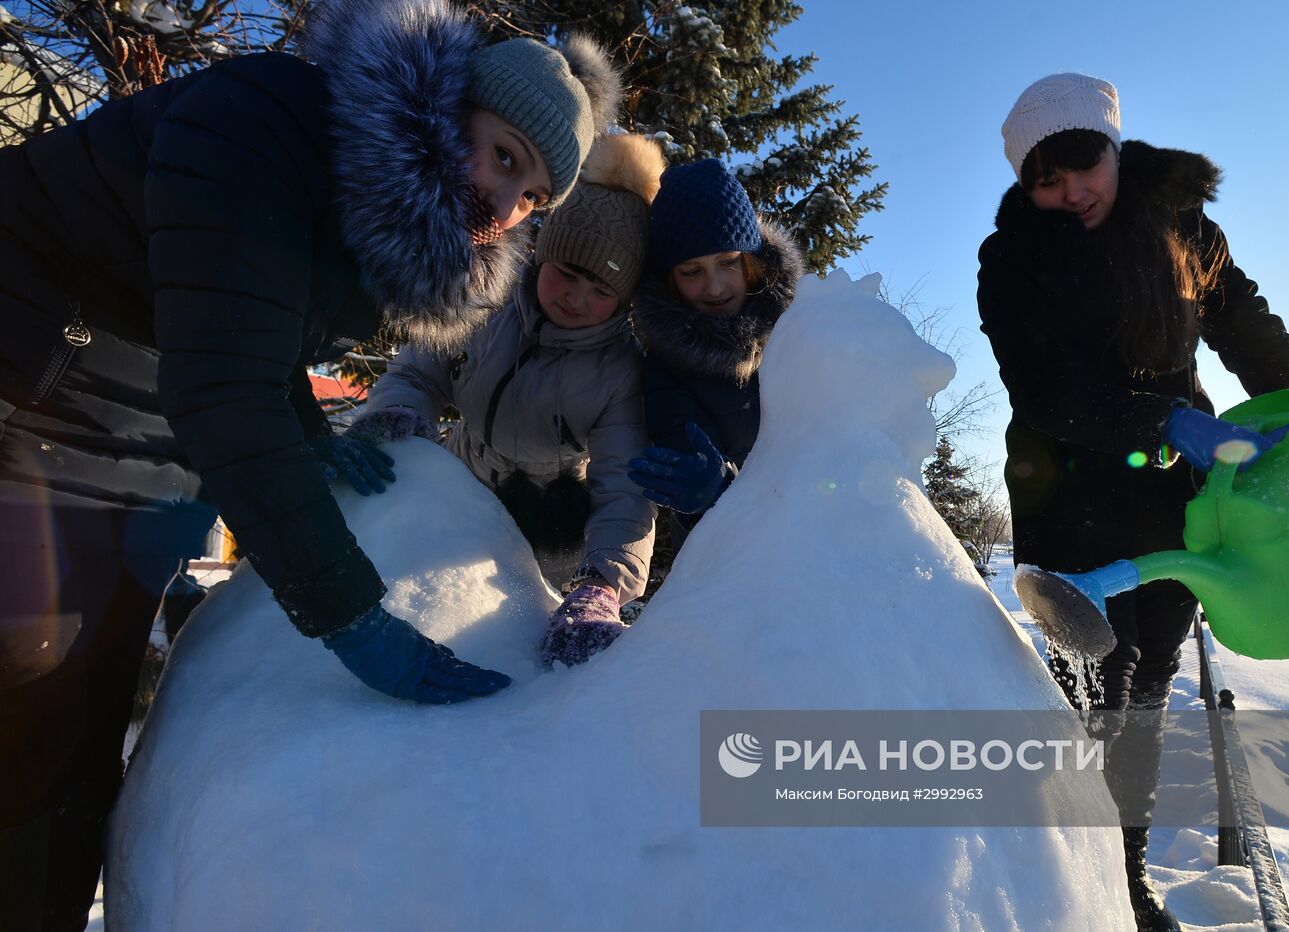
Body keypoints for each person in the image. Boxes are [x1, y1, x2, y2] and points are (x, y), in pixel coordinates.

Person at [0, 0, 621, 924]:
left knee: (79, 739)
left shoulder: (363, 205)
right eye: (501, 155)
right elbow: (225, 383)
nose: (504, 203)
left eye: (529, 193)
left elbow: (260, 330)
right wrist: (353, 620)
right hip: (31, 399)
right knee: (30, 728)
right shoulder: (264, 124)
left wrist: (309, 431)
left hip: (133, 438)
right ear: (444, 109)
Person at [977, 73, 1289, 931]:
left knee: (1151, 681)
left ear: (1114, 147)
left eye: (1081, 167)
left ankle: (1123, 878)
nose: (1069, 193)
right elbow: (1039, 389)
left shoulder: (1180, 222)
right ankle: (1071, 879)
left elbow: (1240, 318)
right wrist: (1160, 415)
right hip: (1065, 485)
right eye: (1044, 181)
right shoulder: (1012, 257)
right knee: (1097, 681)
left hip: (1173, 491)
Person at [349, 133, 664, 668]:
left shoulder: (618, 371)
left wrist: (602, 583)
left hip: (554, 527)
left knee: (516, 646)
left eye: (602, 289)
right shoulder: (487, 300)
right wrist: (398, 412)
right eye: (567, 275)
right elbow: (421, 369)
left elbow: (625, 488)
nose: (577, 298)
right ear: (544, 256)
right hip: (462, 489)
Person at [627, 159, 804, 544]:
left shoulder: (801, 329)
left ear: (752, 262)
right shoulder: (667, 367)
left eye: (728, 263)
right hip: (735, 558)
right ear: (670, 280)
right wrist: (714, 491)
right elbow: (683, 452)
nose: (715, 288)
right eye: (692, 271)